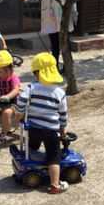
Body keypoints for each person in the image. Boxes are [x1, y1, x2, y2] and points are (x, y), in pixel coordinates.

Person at [16, 52, 69, 194]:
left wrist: (19, 113)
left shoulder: (32, 87)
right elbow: (63, 114)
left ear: (37, 73)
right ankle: (54, 185)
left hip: (33, 128)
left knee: (32, 147)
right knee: (54, 157)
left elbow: (21, 100)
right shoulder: (59, 92)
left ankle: (30, 167)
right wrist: (63, 128)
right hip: (51, 131)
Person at [20, 0, 78, 74]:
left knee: (66, 44)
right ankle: (55, 68)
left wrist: (74, 16)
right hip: (50, 17)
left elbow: (72, 2)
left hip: (63, 16)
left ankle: (68, 69)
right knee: (54, 45)